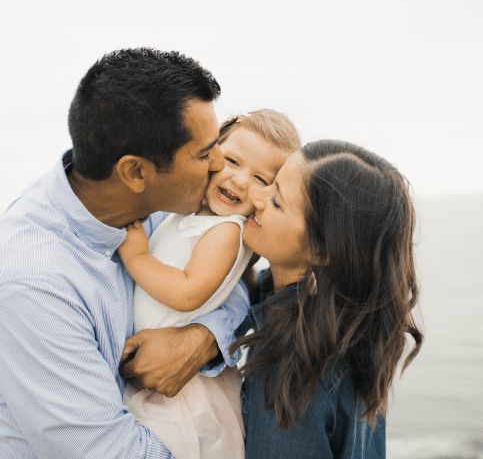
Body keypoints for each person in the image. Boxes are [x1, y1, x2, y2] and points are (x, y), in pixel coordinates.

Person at [0, 48, 250, 458]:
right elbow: (108, 452)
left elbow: (229, 275)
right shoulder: (33, 282)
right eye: (204, 153)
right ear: (136, 172)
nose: (220, 163)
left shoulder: (154, 206)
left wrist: (201, 338)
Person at [117, 109, 300, 459]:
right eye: (232, 161)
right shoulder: (189, 212)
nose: (241, 181)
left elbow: (188, 292)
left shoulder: (225, 231)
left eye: (262, 179)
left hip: (183, 396)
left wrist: (137, 258)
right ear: (210, 152)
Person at [232, 140, 423, 458]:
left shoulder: (293, 367)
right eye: (271, 183)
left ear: (321, 250)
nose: (256, 195)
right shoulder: (348, 330)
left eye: (277, 201)